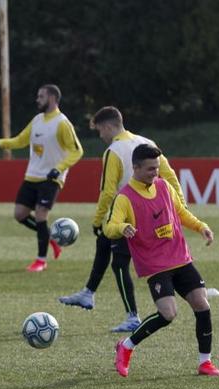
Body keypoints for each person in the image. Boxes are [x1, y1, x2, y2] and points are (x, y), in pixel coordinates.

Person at [59, 106, 187, 333]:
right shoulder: (147, 142)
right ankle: (88, 293)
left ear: (108, 126)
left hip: (128, 216)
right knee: (103, 244)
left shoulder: (114, 151)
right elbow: (169, 175)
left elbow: (108, 191)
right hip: (151, 214)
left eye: (100, 131)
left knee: (119, 263)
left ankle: (132, 316)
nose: (101, 136)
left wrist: (98, 220)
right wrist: (181, 204)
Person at [105, 144, 219, 378]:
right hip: (156, 266)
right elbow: (108, 227)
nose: (155, 173)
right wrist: (122, 227)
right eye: (150, 169)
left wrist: (201, 227)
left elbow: (181, 213)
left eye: (157, 168)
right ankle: (126, 346)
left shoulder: (165, 186)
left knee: (202, 305)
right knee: (168, 314)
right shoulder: (124, 198)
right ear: (135, 168)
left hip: (181, 258)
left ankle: (205, 362)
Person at [0, 84, 83, 272]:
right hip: (32, 175)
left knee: (41, 214)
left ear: (53, 99)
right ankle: (51, 239)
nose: (37, 99)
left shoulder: (63, 123)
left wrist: (59, 168)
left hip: (51, 178)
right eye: (38, 96)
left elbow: (77, 151)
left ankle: (41, 260)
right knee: (19, 215)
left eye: (41, 96)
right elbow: (20, 140)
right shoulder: (38, 120)